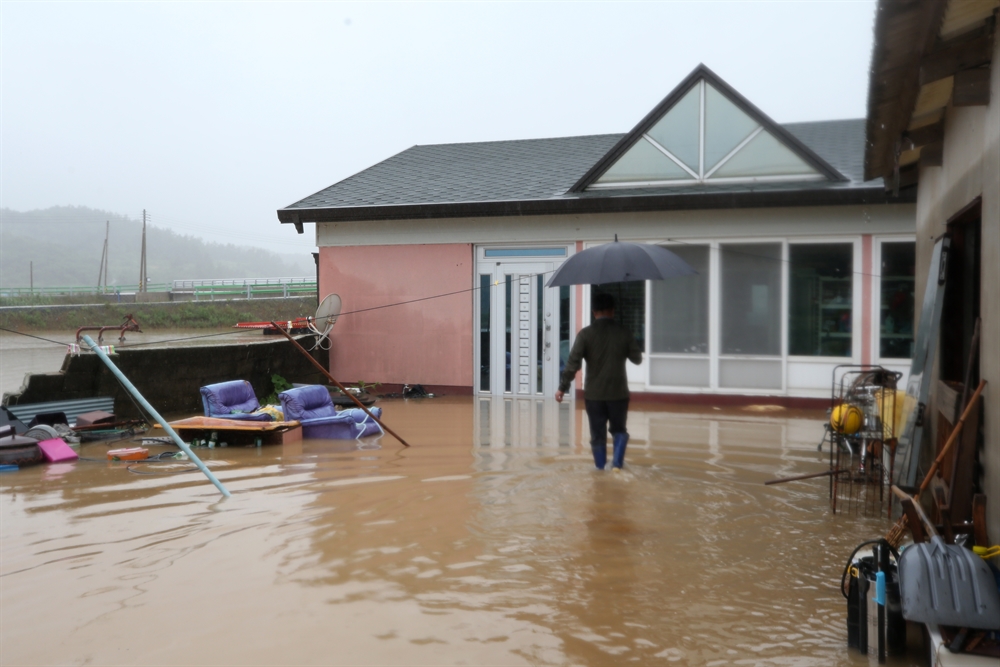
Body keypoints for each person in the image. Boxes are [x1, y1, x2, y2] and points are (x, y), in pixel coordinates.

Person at [555, 293, 643, 470]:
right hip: (618, 393)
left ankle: (601, 471)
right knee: (619, 431)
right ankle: (617, 464)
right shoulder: (624, 332)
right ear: (613, 311)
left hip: (594, 395)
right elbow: (637, 359)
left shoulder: (585, 334)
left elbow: (573, 364)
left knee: (597, 435)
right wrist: (629, 342)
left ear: (594, 312)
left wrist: (562, 388)